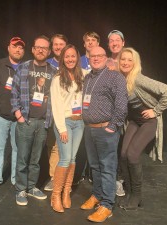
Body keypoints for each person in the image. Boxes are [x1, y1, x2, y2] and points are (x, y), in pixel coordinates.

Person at [117, 47, 167, 210]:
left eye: (130, 60)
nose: (126, 62)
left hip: (148, 122)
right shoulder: (121, 79)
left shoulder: (139, 79)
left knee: (133, 155)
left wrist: (155, 111)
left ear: (135, 63)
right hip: (134, 122)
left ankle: (136, 195)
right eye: (123, 59)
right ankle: (129, 192)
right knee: (123, 154)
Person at [80, 46, 128, 223]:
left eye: (99, 55)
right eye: (93, 56)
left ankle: (107, 205)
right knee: (94, 165)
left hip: (105, 129)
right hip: (90, 128)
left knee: (107, 167)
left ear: (106, 57)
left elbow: (122, 104)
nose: (96, 58)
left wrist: (113, 126)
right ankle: (97, 195)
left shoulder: (115, 77)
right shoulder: (88, 77)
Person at [11, 35, 57, 206]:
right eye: (38, 47)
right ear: (32, 49)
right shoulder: (23, 68)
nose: (40, 50)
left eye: (44, 48)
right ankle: (20, 189)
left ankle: (31, 187)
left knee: (36, 159)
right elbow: (14, 93)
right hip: (26, 120)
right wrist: (19, 116)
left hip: (43, 122)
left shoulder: (53, 71)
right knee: (23, 158)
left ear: (49, 51)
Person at [0, 37, 25, 192]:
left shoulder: (26, 67)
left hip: (18, 117)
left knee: (18, 149)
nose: (18, 50)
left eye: (21, 48)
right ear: (9, 48)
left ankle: (15, 179)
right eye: (15, 46)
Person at [50, 44, 84, 213]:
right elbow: (55, 105)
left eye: (73, 56)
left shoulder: (82, 75)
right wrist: (61, 128)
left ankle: (66, 193)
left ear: (77, 58)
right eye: (67, 56)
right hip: (64, 122)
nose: (70, 59)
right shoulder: (57, 78)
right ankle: (55, 195)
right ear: (62, 59)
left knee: (73, 158)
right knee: (65, 158)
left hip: (80, 122)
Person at [44, 34, 68, 192]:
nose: (58, 47)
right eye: (56, 45)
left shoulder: (70, 62)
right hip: (50, 112)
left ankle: (65, 178)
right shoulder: (47, 65)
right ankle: (53, 178)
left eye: (61, 44)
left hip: (67, 112)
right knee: (52, 146)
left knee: (64, 147)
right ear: (52, 47)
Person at [77, 31, 100, 184]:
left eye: (93, 40)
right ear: (84, 44)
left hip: (96, 108)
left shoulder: (101, 61)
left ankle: (92, 173)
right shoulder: (77, 61)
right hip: (79, 107)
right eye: (88, 40)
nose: (90, 43)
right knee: (80, 144)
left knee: (95, 143)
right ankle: (78, 173)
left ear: (98, 44)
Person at [107, 29, 126, 197]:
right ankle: (107, 179)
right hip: (107, 113)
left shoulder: (128, 60)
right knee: (109, 148)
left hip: (124, 113)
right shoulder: (105, 61)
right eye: (111, 40)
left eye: (117, 40)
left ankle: (118, 181)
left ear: (123, 42)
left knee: (121, 149)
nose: (114, 42)